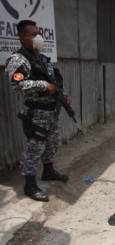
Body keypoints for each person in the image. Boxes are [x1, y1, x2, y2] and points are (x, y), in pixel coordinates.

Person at [5, 20, 69, 202]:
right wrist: (44, 85)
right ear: (21, 37)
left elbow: (55, 82)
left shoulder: (42, 58)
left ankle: (48, 171)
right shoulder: (18, 60)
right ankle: (30, 184)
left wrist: (63, 95)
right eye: (33, 34)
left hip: (51, 111)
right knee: (34, 148)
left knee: (52, 142)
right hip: (36, 113)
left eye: (38, 33)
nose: (38, 37)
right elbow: (17, 84)